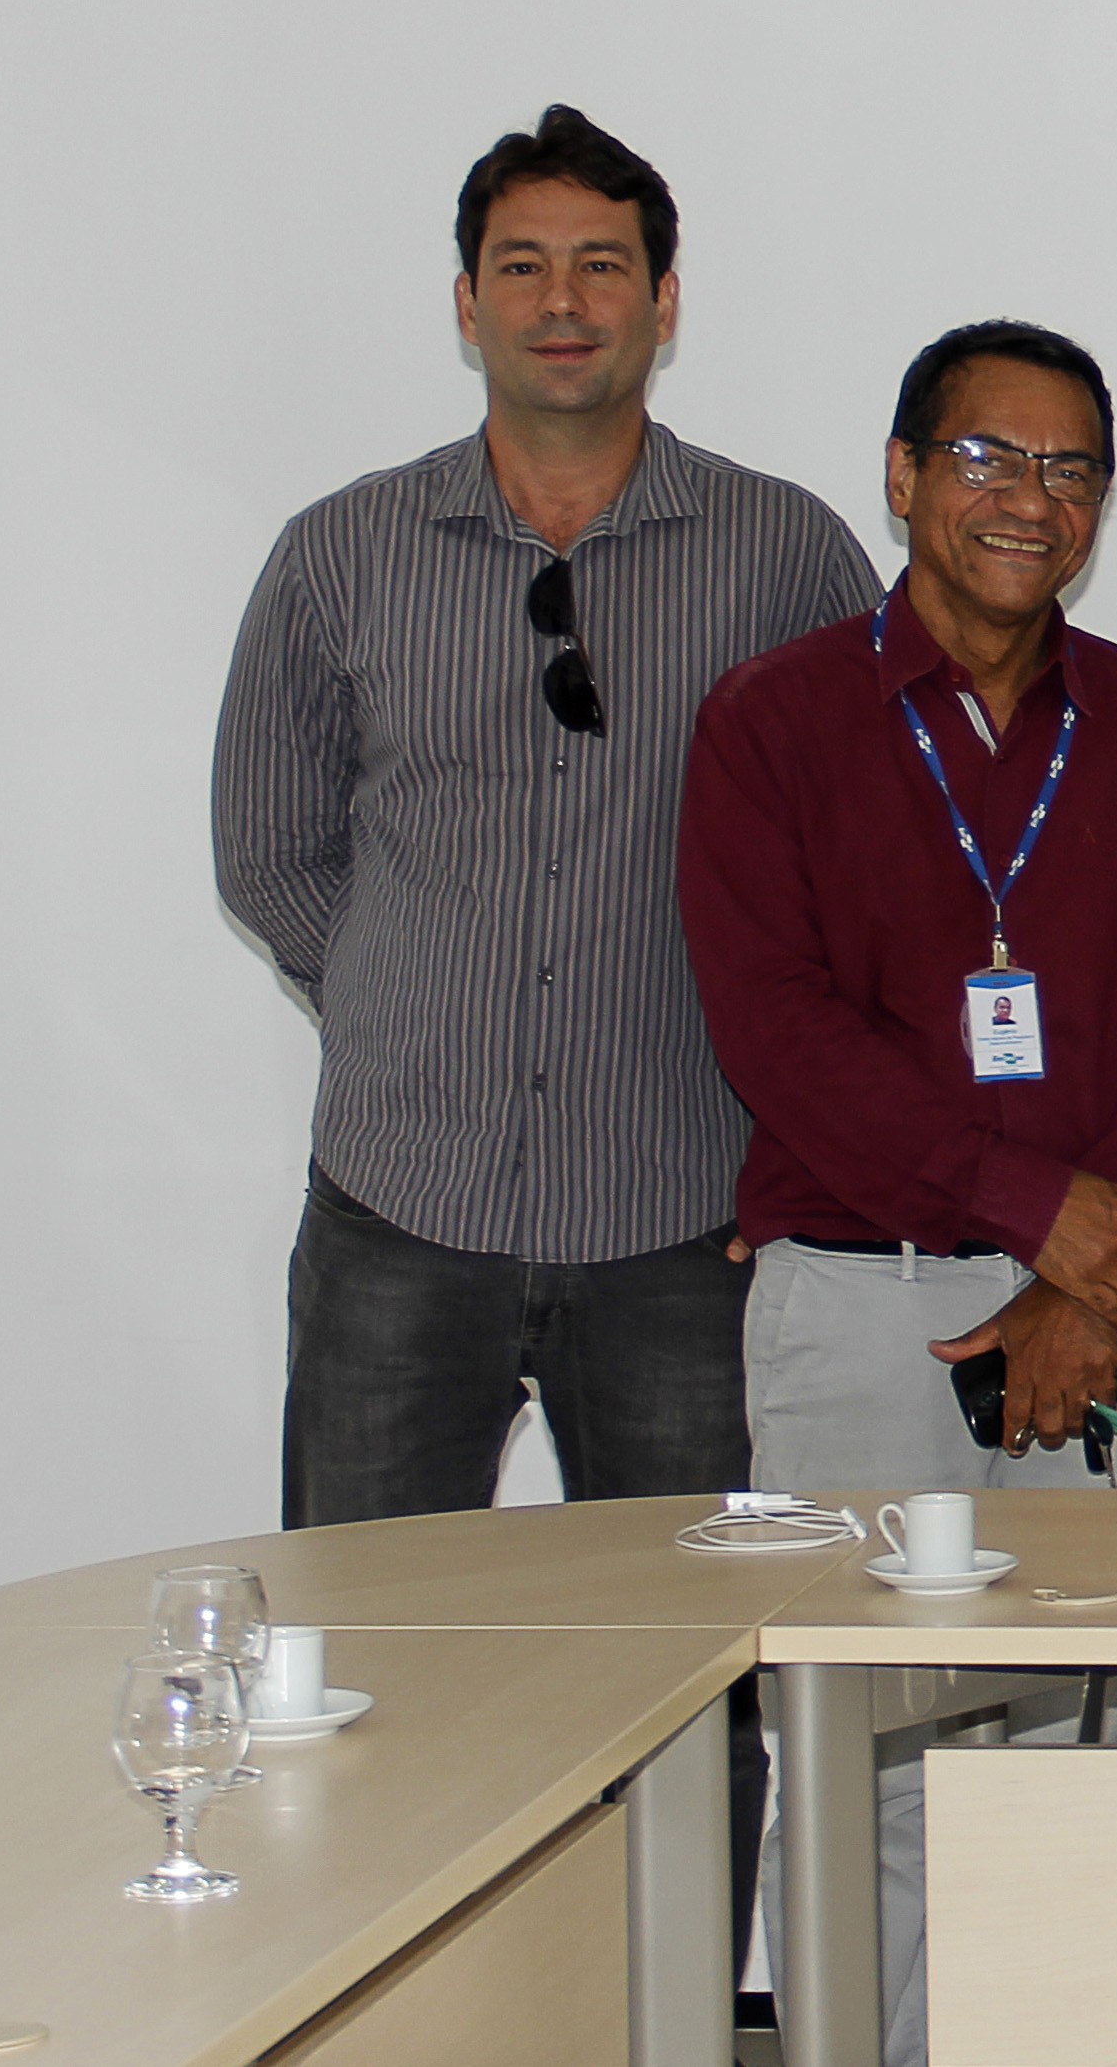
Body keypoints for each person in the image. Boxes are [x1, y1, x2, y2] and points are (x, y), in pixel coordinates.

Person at [679, 318, 1117, 2067]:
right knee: (877, 1766)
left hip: (1110, 1311)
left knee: (1112, 1743)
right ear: (907, 477)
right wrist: (1031, 1209)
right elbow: (780, 1035)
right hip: (861, 1314)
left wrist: (1085, 1288)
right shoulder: (773, 721)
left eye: (1072, 470)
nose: (1032, 501)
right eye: (990, 459)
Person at [213, 104, 876, 1527]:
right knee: (371, 1655)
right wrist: (409, 994)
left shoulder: (785, 555)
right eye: (520, 267)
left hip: (685, 1219)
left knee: (700, 1688)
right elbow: (269, 847)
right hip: (402, 1209)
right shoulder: (341, 553)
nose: (561, 303)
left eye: (601, 266)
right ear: (467, 304)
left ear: (664, 301)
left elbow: (865, 864)